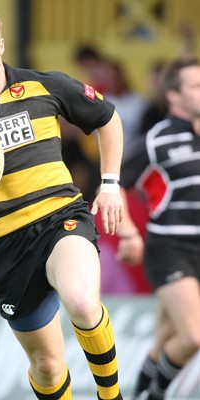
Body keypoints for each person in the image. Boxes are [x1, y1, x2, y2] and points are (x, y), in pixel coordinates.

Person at [0, 5, 125, 399]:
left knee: (81, 300)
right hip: (6, 244)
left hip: (60, 217)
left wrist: (110, 184)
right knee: (47, 367)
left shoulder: (42, 85)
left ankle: (112, 396)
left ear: (0, 43)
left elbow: (107, 118)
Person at [116, 57, 200, 400]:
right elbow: (113, 185)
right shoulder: (157, 139)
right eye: (196, 87)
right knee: (193, 338)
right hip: (170, 249)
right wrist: (128, 232)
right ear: (174, 96)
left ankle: (138, 395)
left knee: (165, 339)